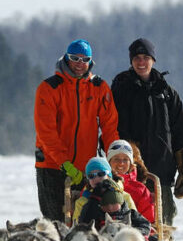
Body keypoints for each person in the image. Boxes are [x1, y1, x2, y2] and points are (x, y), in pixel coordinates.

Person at [111, 38, 183, 226]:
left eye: (146, 57)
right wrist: (133, 160)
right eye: (137, 58)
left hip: (163, 172)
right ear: (131, 61)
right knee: (134, 230)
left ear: (153, 60)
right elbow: (116, 129)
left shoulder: (167, 93)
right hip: (131, 175)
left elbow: (181, 131)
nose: (141, 62)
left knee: (163, 228)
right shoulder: (121, 89)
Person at [34, 39, 120, 222]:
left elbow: (109, 126)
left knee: (88, 221)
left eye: (85, 59)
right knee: (56, 222)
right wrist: (64, 164)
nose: (80, 64)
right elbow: (46, 132)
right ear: (66, 58)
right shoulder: (49, 88)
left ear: (91, 61)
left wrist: (115, 158)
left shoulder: (99, 87)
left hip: (88, 169)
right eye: (75, 58)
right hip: (52, 167)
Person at [72, 156, 136, 224]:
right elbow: (78, 227)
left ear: (109, 176)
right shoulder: (82, 201)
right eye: (91, 176)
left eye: (101, 174)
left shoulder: (124, 196)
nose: (96, 178)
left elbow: (135, 221)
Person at [76, 182, 153, 239]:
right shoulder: (96, 216)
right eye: (105, 205)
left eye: (114, 204)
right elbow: (83, 224)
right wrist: (93, 201)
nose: (110, 208)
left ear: (121, 202)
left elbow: (145, 225)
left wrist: (136, 233)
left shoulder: (130, 214)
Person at [106, 139, 155, 225]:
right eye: (116, 159)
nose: (121, 163)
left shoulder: (140, 190)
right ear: (109, 162)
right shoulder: (100, 183)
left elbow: (147, 220)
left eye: (125, 159)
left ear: (131, 164)